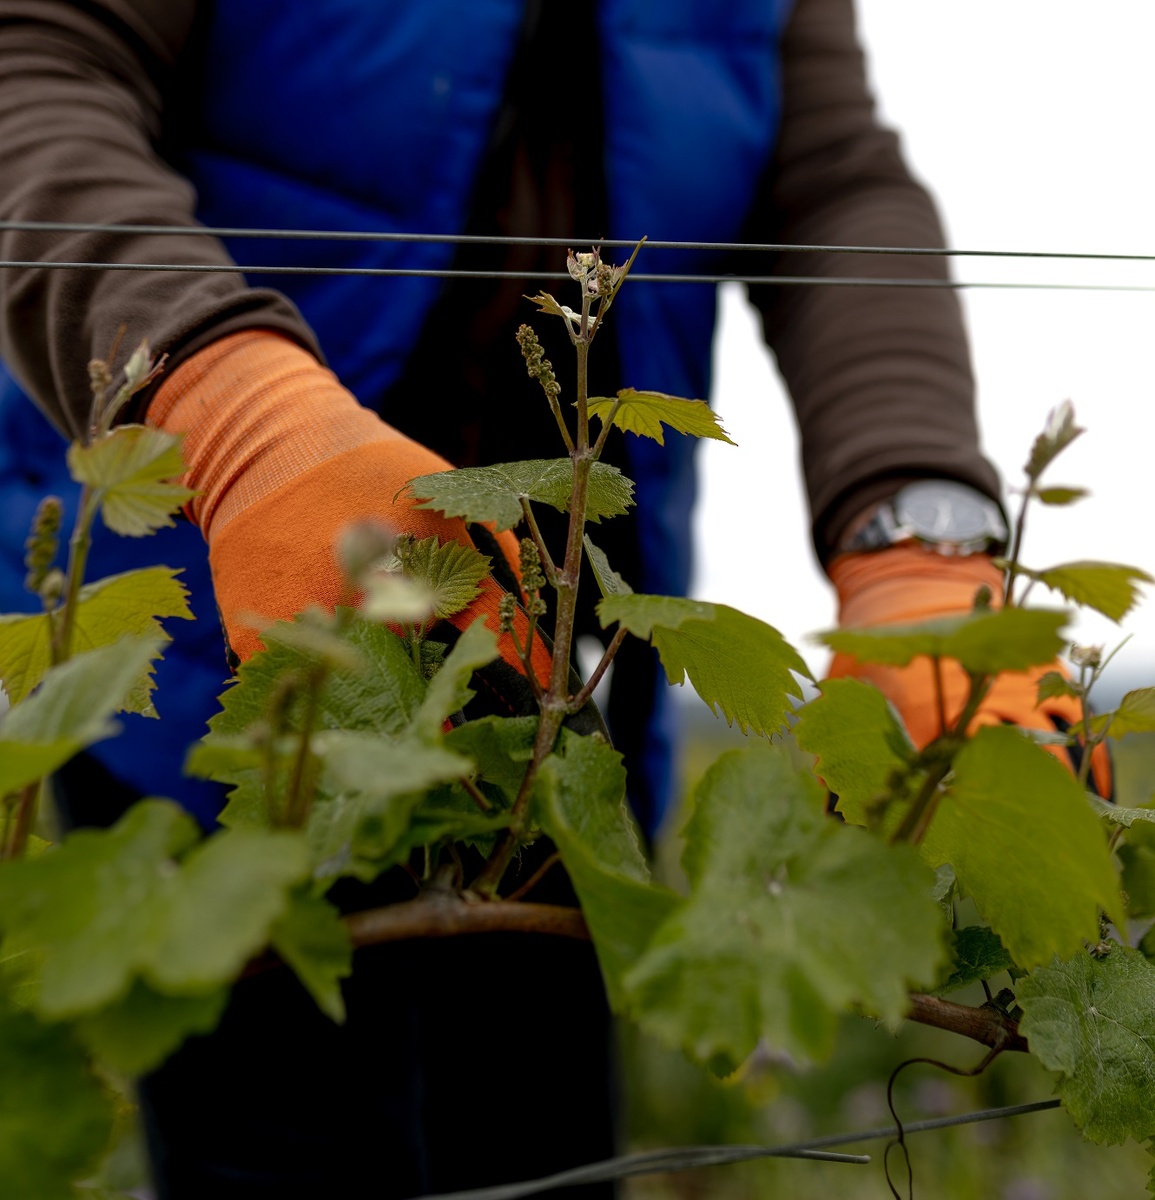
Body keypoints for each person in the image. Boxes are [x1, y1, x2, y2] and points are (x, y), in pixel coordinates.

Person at [0, 1, 1109, 1196]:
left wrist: (916, 534)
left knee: (541, 1155)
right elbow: (34, 60)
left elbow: (832, 182)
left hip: (550, 707)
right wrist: (231, 409)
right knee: (284, 1146)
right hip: (241, 644)